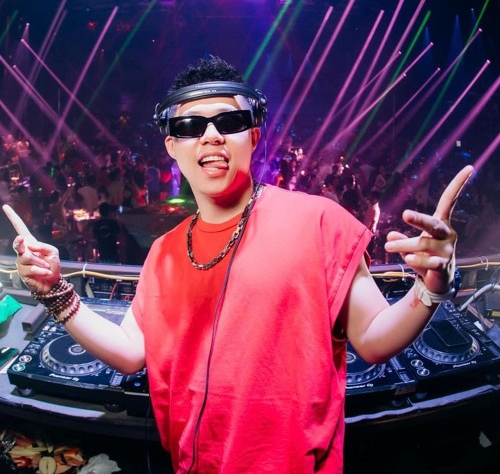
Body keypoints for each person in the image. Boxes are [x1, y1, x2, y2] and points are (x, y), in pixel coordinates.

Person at [3, 56, 473, 474]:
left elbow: (373, 340)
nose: (210, 135)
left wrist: (432, 286)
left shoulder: (319, 221)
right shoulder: (164, 252)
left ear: (253, 135)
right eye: (191, 126)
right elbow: (129, 352)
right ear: (171, 146)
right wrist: (54, 291)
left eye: (228, 121)